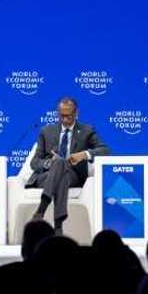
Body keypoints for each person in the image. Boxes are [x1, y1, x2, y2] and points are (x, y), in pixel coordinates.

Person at [26, 96, 110, 236]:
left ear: (76, 113)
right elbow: (34, 162)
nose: (65, 120)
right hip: (46, 176)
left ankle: (41, 209)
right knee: (59, 165)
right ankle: (58, 226)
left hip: (73, 175)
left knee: (62, 168)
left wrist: (84, 154)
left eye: (68, 116)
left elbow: (105, 151)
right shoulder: (46, 131)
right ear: (57, 114)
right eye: (62, 116)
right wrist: (49, 163)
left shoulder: (87, 131)